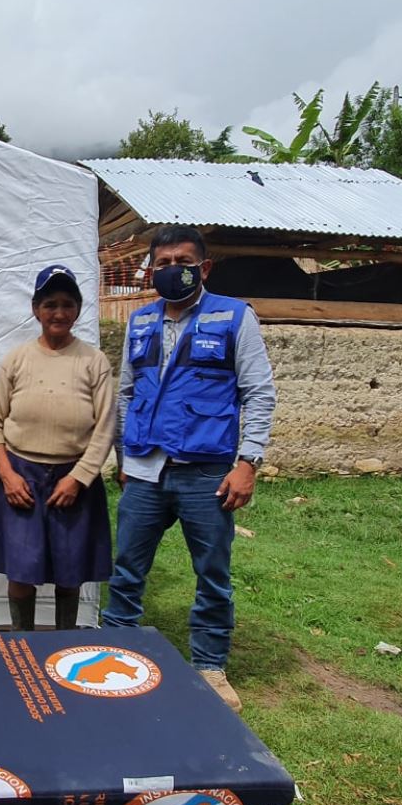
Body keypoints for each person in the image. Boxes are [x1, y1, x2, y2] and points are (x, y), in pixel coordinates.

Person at [101, 225, 276, 711]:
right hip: (145, 469)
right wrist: (123, 458)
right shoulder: (140, 321)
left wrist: (248, 463)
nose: (170, 269)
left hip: (206, 470)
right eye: (160, 262)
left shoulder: (234, 317)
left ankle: (209, 665)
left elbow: (258, 393)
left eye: (181, 260)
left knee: (212, 572)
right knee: (128, 568)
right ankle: (118, 649)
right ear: (151, 269)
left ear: (204, 266)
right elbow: (128, 394)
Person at [0, 264, 116, 631]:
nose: (59, 313)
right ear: (35, 308)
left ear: (78, 310)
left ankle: (65, 645)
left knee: (70, 572)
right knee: (21, 571)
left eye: (68, 304)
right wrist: (7, 475)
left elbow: (104, 428)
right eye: (50, 304)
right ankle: (22, 643)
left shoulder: (93, 362)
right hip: (21, 476)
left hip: (74, 479)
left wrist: (79, 479)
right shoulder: (17, 359)